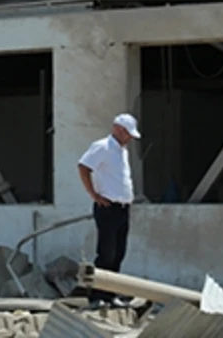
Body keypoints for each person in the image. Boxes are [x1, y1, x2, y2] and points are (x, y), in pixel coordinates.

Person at [77, 113, 141, 304]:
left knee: (119, 253)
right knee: (107, 253)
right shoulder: (102, 147)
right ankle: (97, 296)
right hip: (108, 207)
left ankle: (110, 295)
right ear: (118, 129)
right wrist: (94, 194)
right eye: (127, 133)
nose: (129, 138)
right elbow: (83, 166)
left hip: (122, 208)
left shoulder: (122, 150)